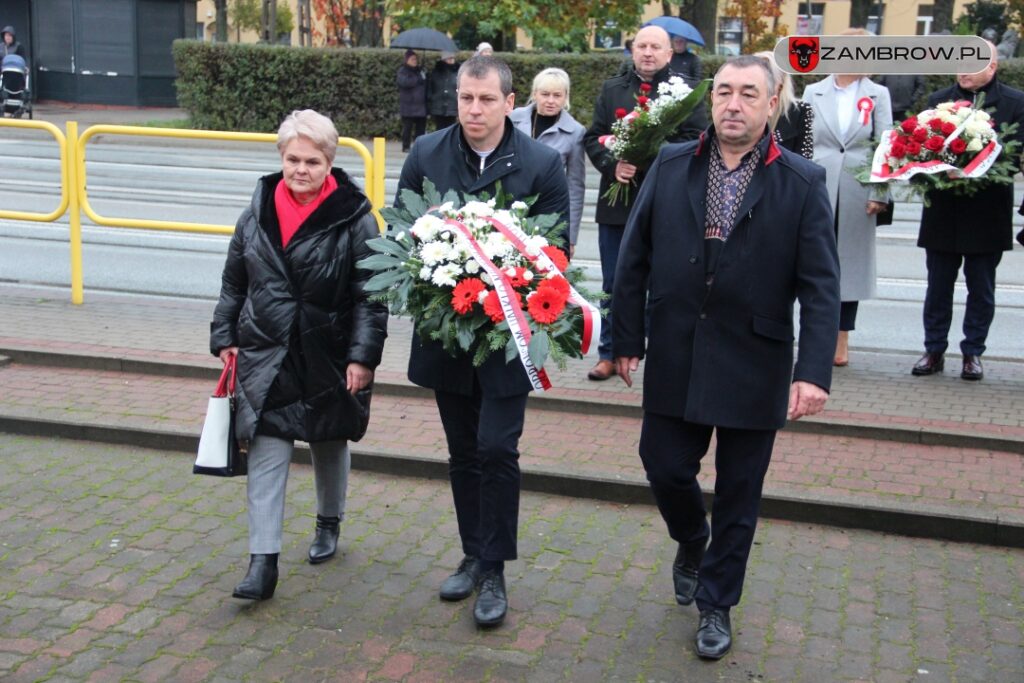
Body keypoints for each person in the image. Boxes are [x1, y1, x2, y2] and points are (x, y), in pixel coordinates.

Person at [612, 56, 840, 659]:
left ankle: (717, 605)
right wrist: (626, 337)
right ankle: (691, 537)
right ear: (710, 101)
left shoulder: (802, 180)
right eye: (723, 92)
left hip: (755, 359)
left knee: (740, 491)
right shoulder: (670, 163)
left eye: (747, 94)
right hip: (677, 349)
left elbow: (821, 286)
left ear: (772, 106)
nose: (733, 104)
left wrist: (812, 372)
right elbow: (633, 256)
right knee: (662, 465)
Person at [395, 55, 569, 628]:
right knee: (464, 452)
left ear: (508, 101)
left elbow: (555, 252)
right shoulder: (426, 153)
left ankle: (494, 570)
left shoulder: (543, 163)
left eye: (486, 100)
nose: (473, 110)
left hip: (507, 334)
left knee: (497, 448)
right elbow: (401, 236)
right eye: (466, 99)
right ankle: (473, 552)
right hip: (448, 331)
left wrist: (509, 281)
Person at [210, 109, 389, 601]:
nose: (301, 169)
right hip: (265, 351)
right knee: (267, 449)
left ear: (329, 162)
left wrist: (362, 357)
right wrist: (225, 334)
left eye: (312, 160)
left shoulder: (355, 217)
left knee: (329, 442)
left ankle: (329, 522)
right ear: (281, 158)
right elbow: (234, 281)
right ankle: (262, 563)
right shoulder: (256, 211)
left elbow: (372, 295)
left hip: (327, 352)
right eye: (293, 159)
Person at [583, 24, 707, 381]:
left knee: (663, 282)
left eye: (656, 47)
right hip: (617, 204)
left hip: (666, 204)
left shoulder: (684, 92)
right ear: (632, 50)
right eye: (642, 46)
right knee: (614, 281)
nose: (648, 52)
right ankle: (609, 351)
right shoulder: (612, 89)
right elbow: (594, 137)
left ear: (670, 53)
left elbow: (694, 140)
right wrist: (613, 164)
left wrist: (650, 156)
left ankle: (658, 353)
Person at [911, 44, 1024, 381]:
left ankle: (972, 352)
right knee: (937, 286)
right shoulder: (938, 100)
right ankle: (933, 350)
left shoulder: (1016, 102)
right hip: (944, 207)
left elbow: (1015, 154)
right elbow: (922, 144)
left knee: (981, 287)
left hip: (987, 208)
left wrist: (978, 164)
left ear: (992, 66)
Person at [803, 43, 892, 367]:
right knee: (813, 259)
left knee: (850, 266)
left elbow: (886, 144)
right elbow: (804, 141)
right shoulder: (814, 91)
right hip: (818, 183)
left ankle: (842, 338)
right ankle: (814, 335)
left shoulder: (878, 94)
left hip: (858, 188)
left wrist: (880, 191)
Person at [509, 67, 586, 258]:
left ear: (566, 97)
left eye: (557, 95)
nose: (551, 101)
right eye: (545, 94)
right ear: (534, 94)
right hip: (510, 205)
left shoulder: (575, 131)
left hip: (549, 211)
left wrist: (571, 236)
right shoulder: (512, 119)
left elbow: (575, 186)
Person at [754, 51, 814, 159]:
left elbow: (805, 159)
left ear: (781, 83)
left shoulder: (799, 111)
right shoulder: (741, 108)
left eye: (769, 78)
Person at [397, 49, 427, 153]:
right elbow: (404, 82)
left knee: (420, 129)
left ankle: (419, 146)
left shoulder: (420, 70)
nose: (415, 61)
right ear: (407, 60)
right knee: (407, 128)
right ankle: (406, 146)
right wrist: (416, 79)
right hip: (408, 105)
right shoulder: (403, 71)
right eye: (412, 59)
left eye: (416, 59)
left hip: (420, 105)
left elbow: (425, 83)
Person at [427, 51, 459, 131]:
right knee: (439, 130)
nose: (452, 60)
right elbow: (431, 88)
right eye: (449, 58)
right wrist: (431, 98)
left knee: (451, 130)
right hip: (438, 106)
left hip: (452, 106)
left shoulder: (457, 72)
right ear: (444, 60)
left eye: (452, 58)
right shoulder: (436, 72)